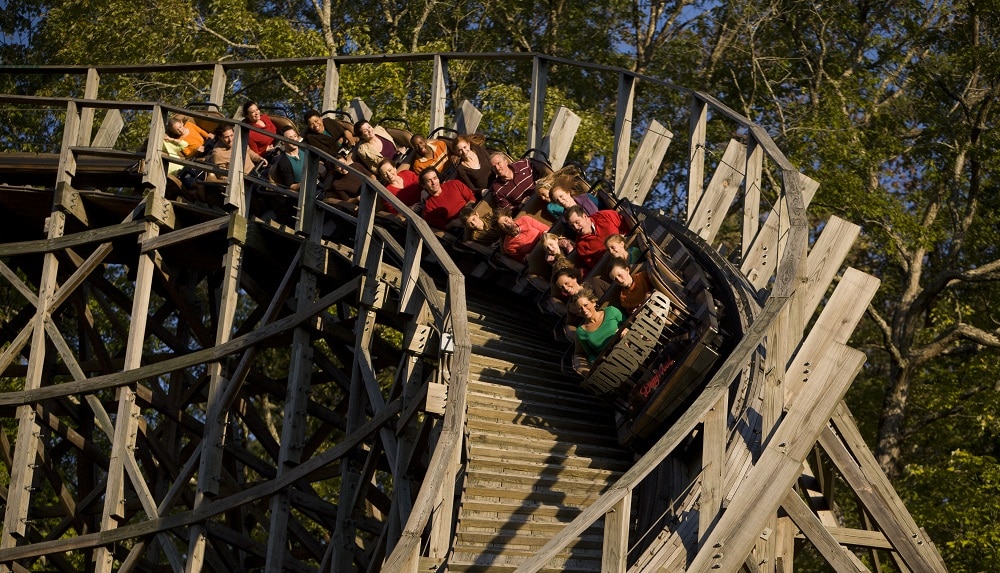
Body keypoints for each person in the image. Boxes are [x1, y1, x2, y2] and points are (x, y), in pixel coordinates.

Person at [570, 288, 625, 369]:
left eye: (585, 305)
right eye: (580, 308)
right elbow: (591, 355)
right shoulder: (581, 331)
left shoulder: (611, 311)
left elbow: (629, 324)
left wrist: (625, 330)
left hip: (624, 345)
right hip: (608, 360)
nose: (584, 310)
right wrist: (595, 361)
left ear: (593, 302)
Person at [567, 205, 632, 273]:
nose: (576, 227)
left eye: (577, 222)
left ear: (585, 217)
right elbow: (597, 268)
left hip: (630, 248)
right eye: (572, 226)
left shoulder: (604, 215)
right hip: (619, 267)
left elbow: (628, 228)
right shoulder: (581, 245)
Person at [272, 125, 304, 191]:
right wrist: (303, 184)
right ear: (283, 141)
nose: (294, 139)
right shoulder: (284, 162)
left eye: (295, 136)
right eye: (290, 138)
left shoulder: (305, 151)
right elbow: (291, 186)